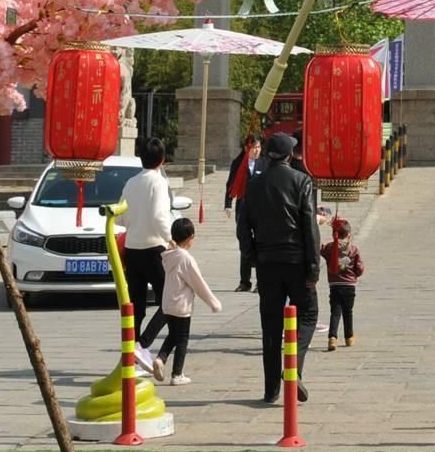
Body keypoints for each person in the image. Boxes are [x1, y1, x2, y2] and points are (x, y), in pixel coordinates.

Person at [245, 132, 322, 404]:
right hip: (297, 261)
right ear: (290, 155)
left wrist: (254, 258)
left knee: (270, 325)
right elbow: (309, 226)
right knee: (309, 314)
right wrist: (313, 266)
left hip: (267, 263)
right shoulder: (302, 181)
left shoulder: (253, 185)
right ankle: (293, 367)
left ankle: (270, 390)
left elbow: (243, 229)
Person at [138, 217, 222, 384]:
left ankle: (161, 359)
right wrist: (214, 303)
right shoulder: (186, 259)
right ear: (191, 237)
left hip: (168, 304)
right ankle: (177, 374)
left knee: (173, 336)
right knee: (182, 339)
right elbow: (199, 284)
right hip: (181, 306)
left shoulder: (168, 256)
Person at [119, 138, 173, 333]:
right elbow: (159, 217)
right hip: (154, 250)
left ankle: (132, 347)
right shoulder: (158, 182)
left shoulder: (131, 182)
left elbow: (119, 219)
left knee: (137, 305)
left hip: (132, 250)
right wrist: (170, 239)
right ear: (162, 160)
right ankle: (144, 342)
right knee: (168, 302)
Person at [224, 130, 263, 292]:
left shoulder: (265, 163)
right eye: (253, 147)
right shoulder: (238, 163)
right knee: (245, 243)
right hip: (243, 207)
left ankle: (261, 282)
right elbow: (231, 183)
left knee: (261, 243)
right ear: (247, 148)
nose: (256, 150)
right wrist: (227, 203)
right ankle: (244, 281)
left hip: (261, 208)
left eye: (259, 147)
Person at [321, 216, 365, 350]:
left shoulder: (329, 248)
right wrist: (356, 273)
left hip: (334, 285)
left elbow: (319, 248)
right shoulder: (353, 250)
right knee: (348, 311)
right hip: (349, 286)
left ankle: (332, 337)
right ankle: (349, 337)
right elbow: (359, 268)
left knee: (335, 312)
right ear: (349, 234)